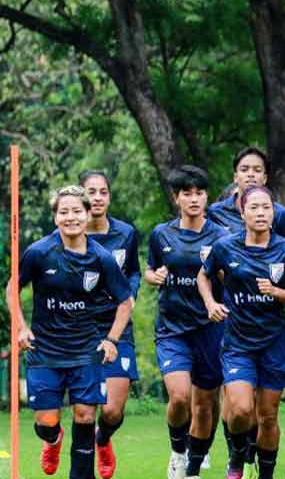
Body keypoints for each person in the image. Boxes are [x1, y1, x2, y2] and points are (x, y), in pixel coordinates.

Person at [6, 185, 133, 479]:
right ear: (55, 218)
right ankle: (53, 439)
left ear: (88, 215)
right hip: (45, 349)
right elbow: (12, 290)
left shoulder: (102, 258)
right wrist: (22, 329)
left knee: (86, 415)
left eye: (77, 211)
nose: (71, 217)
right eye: (64, 212)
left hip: (85, 348)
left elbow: (125, 302)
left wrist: (112, 339)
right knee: (46, 421)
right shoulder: (38, 252)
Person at [197, 186, 285, 479]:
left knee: (268, 416)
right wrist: (211, 303)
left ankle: (266, 474)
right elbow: (204, 275)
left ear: (274, 213)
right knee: (241, 409)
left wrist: (276, 292)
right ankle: (236, 456)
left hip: (274, 343)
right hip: (237, 343)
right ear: (242, 213)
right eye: (255, 208)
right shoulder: (226, 247)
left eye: (266, 208)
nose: (261, 213)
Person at [145, 166, 229, 479]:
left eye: (199, 193)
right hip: (172, 327)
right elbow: (151, 270)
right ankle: (177, 452)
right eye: (187, 193)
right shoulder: (161, 234)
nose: (194, 199)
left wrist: (223, 277)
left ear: (206, 196)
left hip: (210, 327)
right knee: (180, 396)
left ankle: (193, 467)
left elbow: (232, 277)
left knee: (205, 405)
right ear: (176, 198)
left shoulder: (221, 237)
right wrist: (155, 277)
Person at [78, 170, 141, 478]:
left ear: (109, 197)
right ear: (81, 196)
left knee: (113, 410)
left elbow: (133, 272)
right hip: (79, 328)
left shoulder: (126, 233)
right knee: (85, 409)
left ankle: (104, 440)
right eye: (91, 191)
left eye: (103, 192)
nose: (98, 197)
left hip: (118, 324)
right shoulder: (69, 233)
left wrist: (131, 294)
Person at [207, 147, 285, 245]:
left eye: (257, 170)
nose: (250, 174)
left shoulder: (280, 214)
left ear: (265, 178)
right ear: (235, 177)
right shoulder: (216, 212)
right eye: (244, 170)